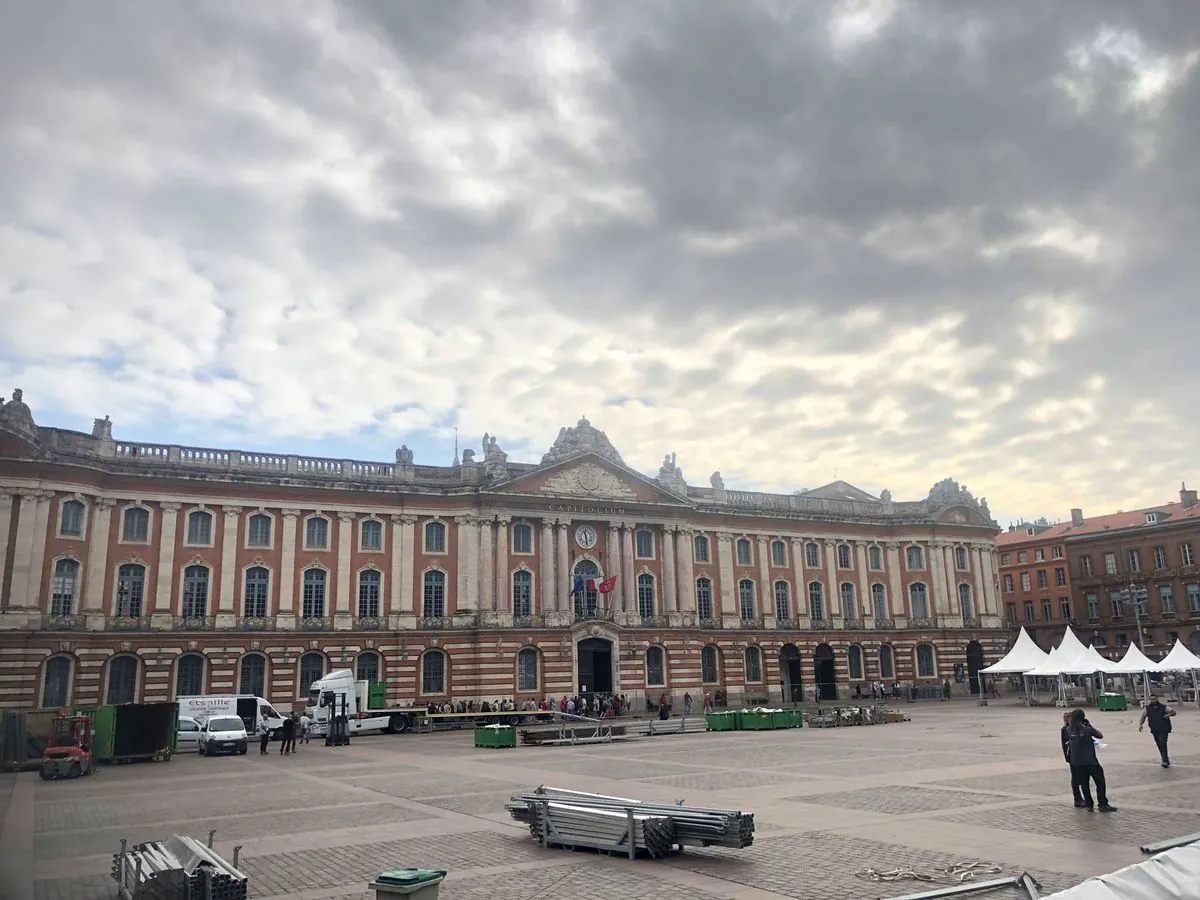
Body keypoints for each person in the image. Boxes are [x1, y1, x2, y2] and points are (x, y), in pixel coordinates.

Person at [1066, 708, 1115, 812]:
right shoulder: (1087, 729)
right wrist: (1089, 725)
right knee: (1100, 781)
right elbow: (1099, 735)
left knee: (1084, 783)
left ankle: (1089, 804)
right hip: (1090, 761)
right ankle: (1102, 804)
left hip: (1077, 762)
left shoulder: (1069, 729)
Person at [1139, 694, 1176, 768]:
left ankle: (1164, 760)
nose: (1153, 700)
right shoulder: (1148, 708)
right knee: (1159, 744)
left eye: (1154, 699)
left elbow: (1173, 712)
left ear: (1157, 699)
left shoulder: (1164, 707)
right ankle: (1165, 759)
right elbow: (1143, 716)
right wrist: (1140, 725)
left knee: (1162, 743)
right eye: (1151, 699)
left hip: (1164, 729)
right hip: (1154, 729)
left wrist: (1167, 715)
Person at [1061, 712, 1085, 807]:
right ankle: (1077, 799)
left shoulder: (1075, 728)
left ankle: (1081, 798)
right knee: (1075, 778)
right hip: (1073, 757)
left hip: (1079, 756)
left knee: (1081, 777)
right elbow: (1065, 744)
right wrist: (1068, 757)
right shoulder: (1066, 729)